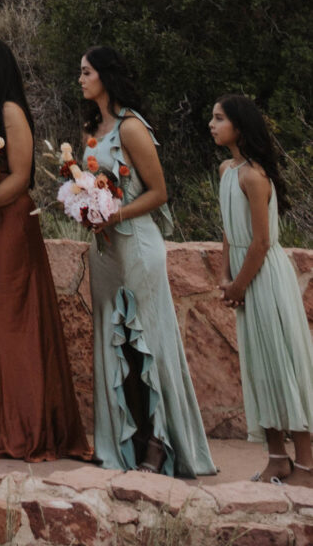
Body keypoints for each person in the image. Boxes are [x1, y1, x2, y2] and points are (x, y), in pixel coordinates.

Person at [0, 35, 88, 462]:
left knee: (9, 324)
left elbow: (22, 175)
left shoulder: (10, 111)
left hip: (7, 225)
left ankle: (24, 424)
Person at [79, 47, 214, 478]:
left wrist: (114, 214)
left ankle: (161, 443)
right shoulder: (93, 130)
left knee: (147, 342)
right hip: (104, 253)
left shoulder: (131, 127)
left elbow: (158, 192)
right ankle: (128, 440)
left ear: (106, 77)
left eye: (86, 72)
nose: (80, 79)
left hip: (137, 244)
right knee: (115, 342)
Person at [211, 94, 313, 486]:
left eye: (219, 119)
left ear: (240, 126)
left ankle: (305, 464)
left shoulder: (254, 176)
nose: (212, 124)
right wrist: (225, 276)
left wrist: (239, 284)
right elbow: (228, 231)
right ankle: (277, 459)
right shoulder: (225, 170)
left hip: (265, 279)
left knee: (283, 365)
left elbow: (260, 242)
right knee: (259, 368)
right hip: (242, 279)